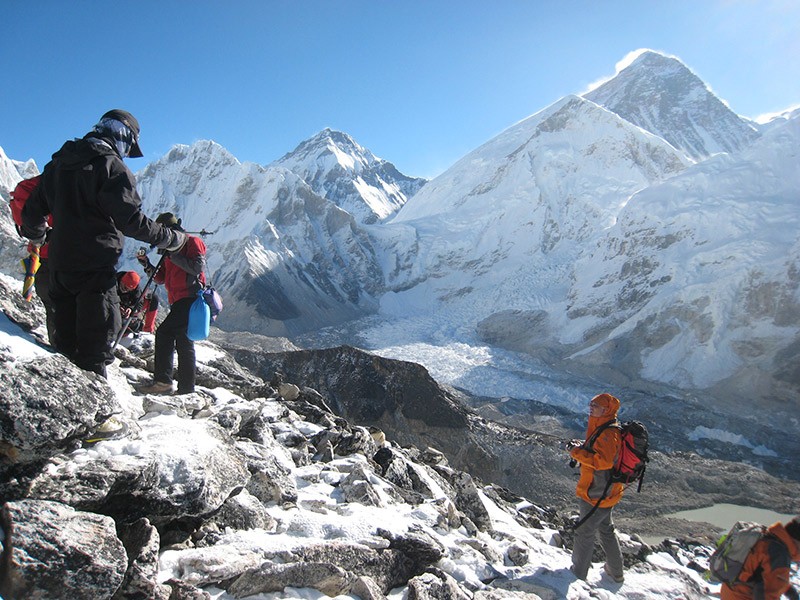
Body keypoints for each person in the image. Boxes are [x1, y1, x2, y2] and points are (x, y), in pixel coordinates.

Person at [20, 109, 186, 377]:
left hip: (59, 269)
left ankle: (61, 407)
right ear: (123, 138)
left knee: (64, 345)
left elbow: (30, 213)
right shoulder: (111, 168)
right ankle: (92, 414)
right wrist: (169, 238)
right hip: (94, 273)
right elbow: (131, 221)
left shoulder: (59, 164)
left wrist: (39, 236)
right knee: (94, 350)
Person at [137, 212, 206, 395]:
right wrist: (147, 264)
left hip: (189, 298)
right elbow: (160, 278)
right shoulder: (170, 249)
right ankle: (186, 388)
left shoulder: (191, 242)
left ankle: (163, 381)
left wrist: (172, 255)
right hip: (178, 300)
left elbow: (197, 267)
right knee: (184, 343)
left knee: (165, 333)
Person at [566, 393, 625, 583]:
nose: (591, 407)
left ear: (606, 410)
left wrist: (575, 452)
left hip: (596, 493)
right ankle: (616, 572)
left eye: (596, 405)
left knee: (584, 531)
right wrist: (581, 449)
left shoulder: (608, 433)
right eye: (591, 404)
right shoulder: (603, 428)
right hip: (605, 492)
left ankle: (578, 573)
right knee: (606, 529)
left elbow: (602, 462)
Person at [720, 516, 800, 600]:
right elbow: (766, 593)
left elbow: (763, 573)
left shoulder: (770, 539)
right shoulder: (780, 555)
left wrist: (788, 589)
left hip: (731, 592)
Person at [116, 270, 159, 340]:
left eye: (130, 290)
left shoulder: (136, 288)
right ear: (121, 281)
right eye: (125, 288)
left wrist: (131, 309)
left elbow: (139, 302)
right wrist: (117, 307)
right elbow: (108, 298)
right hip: (113, 306)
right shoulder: (113, 282)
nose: (126, 291)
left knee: (153, 299)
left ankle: (147, 332)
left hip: (126, 307)